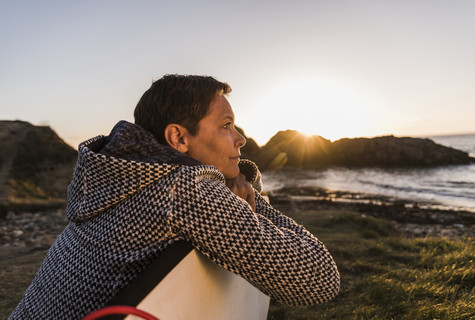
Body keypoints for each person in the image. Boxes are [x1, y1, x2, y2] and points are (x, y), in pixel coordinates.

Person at [9, 74, 340, 319]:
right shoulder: (179, 190)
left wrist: (238, 189)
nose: (240, 139)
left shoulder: (120, 176)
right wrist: (254, 202)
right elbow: (320, 279)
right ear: (178, 138)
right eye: (226, 125)